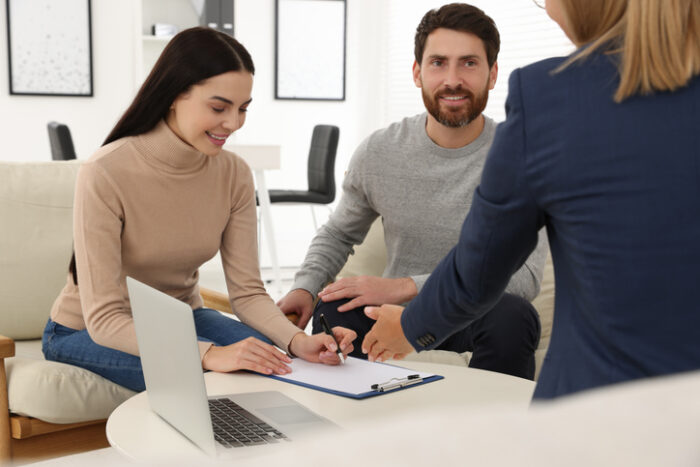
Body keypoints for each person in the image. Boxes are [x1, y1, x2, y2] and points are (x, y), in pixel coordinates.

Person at [362, 0, 700, 399]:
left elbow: (481, 267)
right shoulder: (382, 150)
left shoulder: (553, 98)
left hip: (598, 401)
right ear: (418, 72)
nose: (548, 9)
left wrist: (409, 326)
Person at [42, 27, 355, 393]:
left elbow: (249, 293)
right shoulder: (106, 172)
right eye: (219, 107)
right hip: (87, 332)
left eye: (243, 109)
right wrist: (207, 355)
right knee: (218, 377)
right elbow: (106, 319)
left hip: (184, 319)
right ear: (174, 95)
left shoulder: (234, 173)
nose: (234, 123)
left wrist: (296, 341)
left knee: (281, 365)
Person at [278, 3, 548, 380]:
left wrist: (404, 288)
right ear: (417, 73)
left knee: (515, 316)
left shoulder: (523, 154)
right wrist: (305, 287)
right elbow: (339, 233)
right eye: (438, 63)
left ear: (492, 74)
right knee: (333, 306)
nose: (452, 79)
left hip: (475, 316)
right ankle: (351, 426)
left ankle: (497, 435)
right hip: (384, 318)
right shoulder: (379, 151)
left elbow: (523, 279)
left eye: (469, 63)